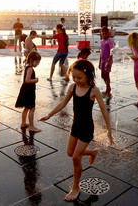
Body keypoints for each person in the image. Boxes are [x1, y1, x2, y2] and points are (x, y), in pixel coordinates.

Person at [39, 59, 113, 202]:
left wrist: (109, 130)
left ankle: (75, 187)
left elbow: (104, 109)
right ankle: (92, 151)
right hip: (75, 126)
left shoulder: (93, 90)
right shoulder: (72, 87)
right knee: (70, 153)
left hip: (87, 129)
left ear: (88, 75)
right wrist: (49, 114)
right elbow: (63, 103)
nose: (76, 80)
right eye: (74, 77)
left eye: (79, 77)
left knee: (75, 157)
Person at [15, 51, 42, 133]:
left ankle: (23, 123)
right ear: (31, 60)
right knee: (32, 108)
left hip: (25, 90)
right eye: (37, 62)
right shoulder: (30, 69)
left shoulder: (27, 67)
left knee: (26, 108)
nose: (38, 64)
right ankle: (31, 126)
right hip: (29, 91)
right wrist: (35, 80)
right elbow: (27, 80)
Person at [99, 27, 114, 97]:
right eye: (103, 34)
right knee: (102, 75)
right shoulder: (102, 41)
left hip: (108, 61)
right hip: (103, 61)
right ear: (101, 34)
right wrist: (100, 62)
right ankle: (108, 87)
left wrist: (109, 62)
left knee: (107, 75)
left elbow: (112, 52)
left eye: (105, 34)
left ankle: (108, 90)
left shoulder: (109, 41)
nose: (104, 35)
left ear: (108, 34)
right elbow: (101, 52)